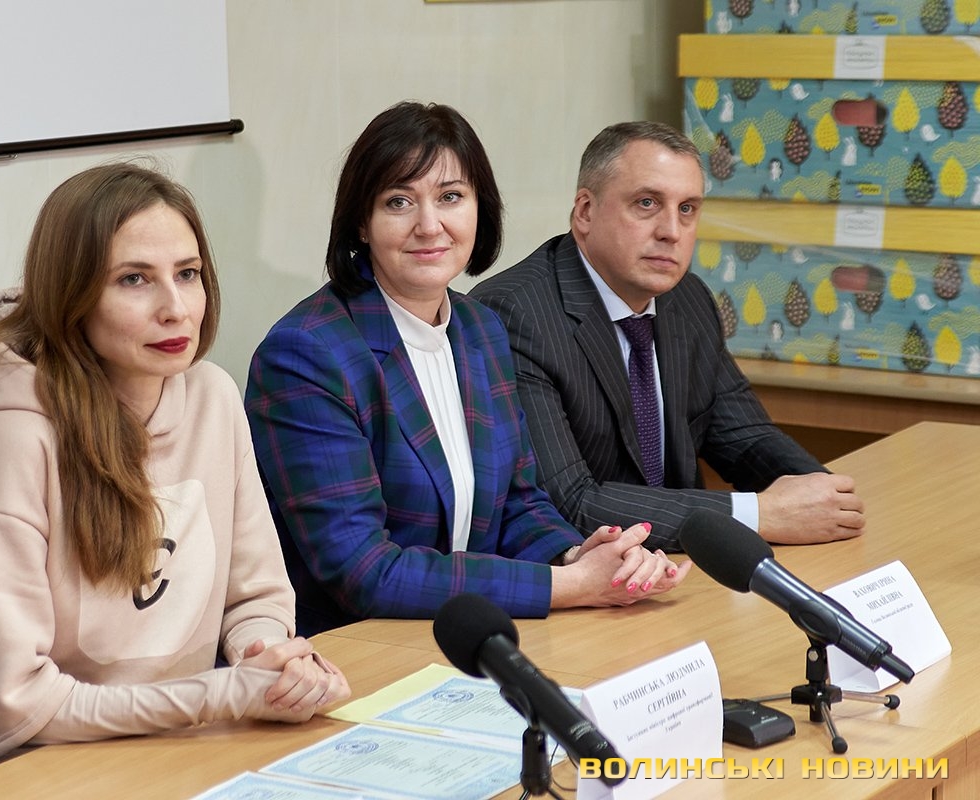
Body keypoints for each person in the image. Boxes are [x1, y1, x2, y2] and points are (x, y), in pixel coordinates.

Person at [0, 164, 349, 796]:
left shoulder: (214, 398)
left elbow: (254, 598)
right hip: (23, 780)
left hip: (172, 760)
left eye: (188, 274)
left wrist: (265, 661)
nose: (176, 309)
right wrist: (222, 693)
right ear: (73, 296)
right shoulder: (22, 438)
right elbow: (15, 707)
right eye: (134, 279)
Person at [244, 102, 689, 637]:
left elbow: (519, 503)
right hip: (352, 648)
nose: (429, 225)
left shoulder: (480, 328)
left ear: (481, 208)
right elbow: (362, 572)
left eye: (451, 197)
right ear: (361, 222)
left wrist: (580, 556)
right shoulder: (307, 354)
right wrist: (567, 585)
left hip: (466, 635)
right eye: (399, 201)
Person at [470, 121, 866, 552]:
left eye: (687, 209)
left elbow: (746, 438)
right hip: (584, 573)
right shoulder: (512, 315)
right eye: (647, 203)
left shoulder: (686, 297)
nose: (672, 231)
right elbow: (570, 503)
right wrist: (759, 514)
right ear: (585, 212)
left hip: (678, 566)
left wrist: (827, 496)